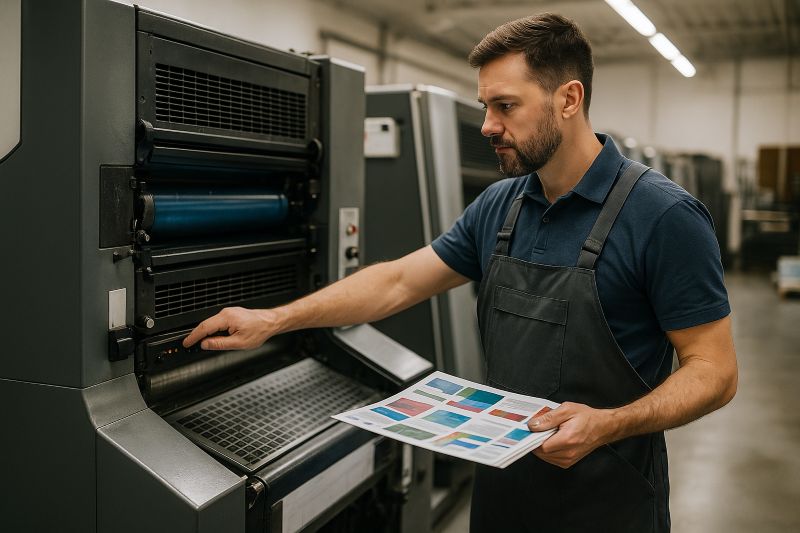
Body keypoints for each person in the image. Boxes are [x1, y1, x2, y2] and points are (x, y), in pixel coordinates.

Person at [184, 13, 737, 532]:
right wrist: (275, 319)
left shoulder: (663, 216)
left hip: (607, 504)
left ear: (569, 99)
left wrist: (608, 423)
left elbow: (714, 369)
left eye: (505, 106)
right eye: (484, 106)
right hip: (503, 496)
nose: (487, 126)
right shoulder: (501, 206)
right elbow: (398, 281)